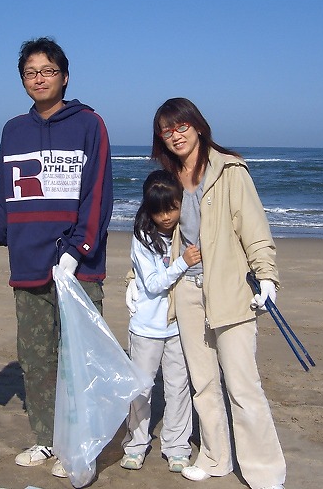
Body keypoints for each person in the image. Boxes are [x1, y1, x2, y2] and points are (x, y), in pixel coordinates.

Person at [0, 37, 113, 479]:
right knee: (37, 361)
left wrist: (77, 250)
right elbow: (7, 194)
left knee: (79, 362)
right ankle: (46, 438)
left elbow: (97, 196)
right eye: (30, 72)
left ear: (65, 77)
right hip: (28, 266)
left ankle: (81, 446)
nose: (39, 78)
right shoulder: (13, 130)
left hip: (77, 272)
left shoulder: (89, 124)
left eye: (48, 71)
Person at [151, 97, 286, 489]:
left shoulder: (230, 170)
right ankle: (215, 457)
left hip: (229, 291)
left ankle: (264, 472)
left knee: (243, 385)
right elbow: (158, 238)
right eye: (166, 130)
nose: (175, 135)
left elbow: (254, 229)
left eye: (181, 126)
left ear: (197, 126)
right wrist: (133, 280)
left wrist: (267, 277)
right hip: (187, 292)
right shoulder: (169, 177)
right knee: (204, 384)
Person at [121, 170, 198, 473]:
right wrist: (182, 263)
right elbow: (153, 284)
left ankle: (177, 446)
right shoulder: (143, 238)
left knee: (178, 387)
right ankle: (136, 444)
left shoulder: (186, 232)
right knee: (141, 389)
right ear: (148, 209)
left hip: (179, 325)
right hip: (146, 327)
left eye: (172, 208)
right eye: (158, 211)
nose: (166, 217)